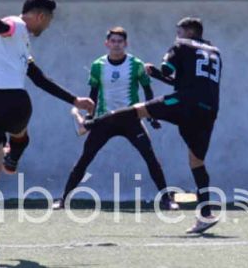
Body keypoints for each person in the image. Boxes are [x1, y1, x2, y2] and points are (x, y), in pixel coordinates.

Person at [0, 0, 94, 265]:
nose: (46, 27)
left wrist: (75, 100)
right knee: (21, 138)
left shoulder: (21, 45)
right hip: (13, 101)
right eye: (47, 22)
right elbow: (0, 26)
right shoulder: (17, 25)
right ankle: (13, 157)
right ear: (40, 16)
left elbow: (39, 77)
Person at [74, 17, 222, 234]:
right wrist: (159, 76)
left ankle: (89, 124)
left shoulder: (182, 45)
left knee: (136, 111)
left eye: (178, 31)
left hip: (183, 102)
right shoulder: (215, 51)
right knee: (196, 161)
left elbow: (168, 68)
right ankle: (206, 213)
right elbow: (190, 81)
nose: (177, 35)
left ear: (188, 32)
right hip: (208, 109)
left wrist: (158, 69)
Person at [54, 26, 178, 211]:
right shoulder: (98, 65)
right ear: (107, 43)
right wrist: (89, 117)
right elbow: (93, 94)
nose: (116, 45)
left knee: (150, 157)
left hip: (131, 120)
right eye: (113, 41)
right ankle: (64, 200)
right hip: (105, 120)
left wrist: (152, 115)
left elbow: (147, 90)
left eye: (120, 41)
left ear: (126, 44)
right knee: (84, 159)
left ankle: (166, 200)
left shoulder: (136, 64)